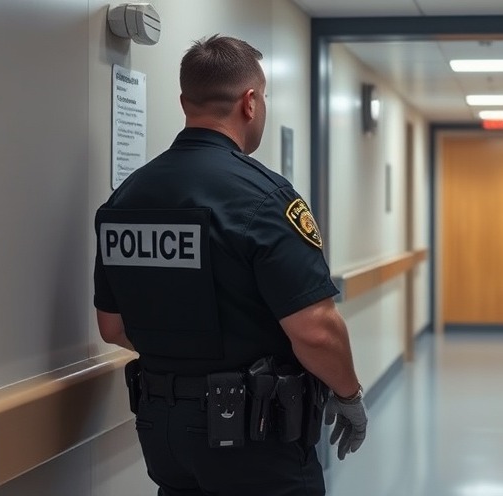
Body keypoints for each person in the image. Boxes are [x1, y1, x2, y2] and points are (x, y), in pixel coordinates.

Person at [93, 35, 367, 496]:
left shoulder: (125, 200)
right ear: (251, 102)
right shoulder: (264, 199)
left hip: (163, 435)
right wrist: (348, 395)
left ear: (185, 102)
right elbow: (316, 329)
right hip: (251, 439)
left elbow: (112, 326)